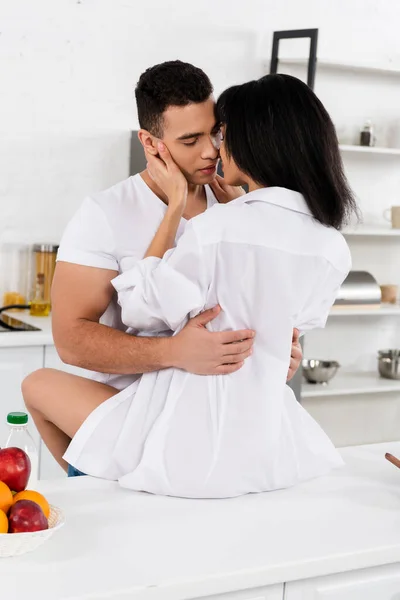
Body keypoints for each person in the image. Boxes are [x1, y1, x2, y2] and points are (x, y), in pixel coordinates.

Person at [24, 71, 356, 498]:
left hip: (224, 419)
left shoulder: (232, 208)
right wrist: (173, 352)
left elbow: (276, 314)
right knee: (43, 392)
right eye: (189, 140)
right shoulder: (105, 213)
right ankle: (104, 491)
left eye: (216, 134)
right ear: (149, 143)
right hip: (138, 409)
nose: (211, 151)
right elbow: (71, 342)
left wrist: (278, 349)